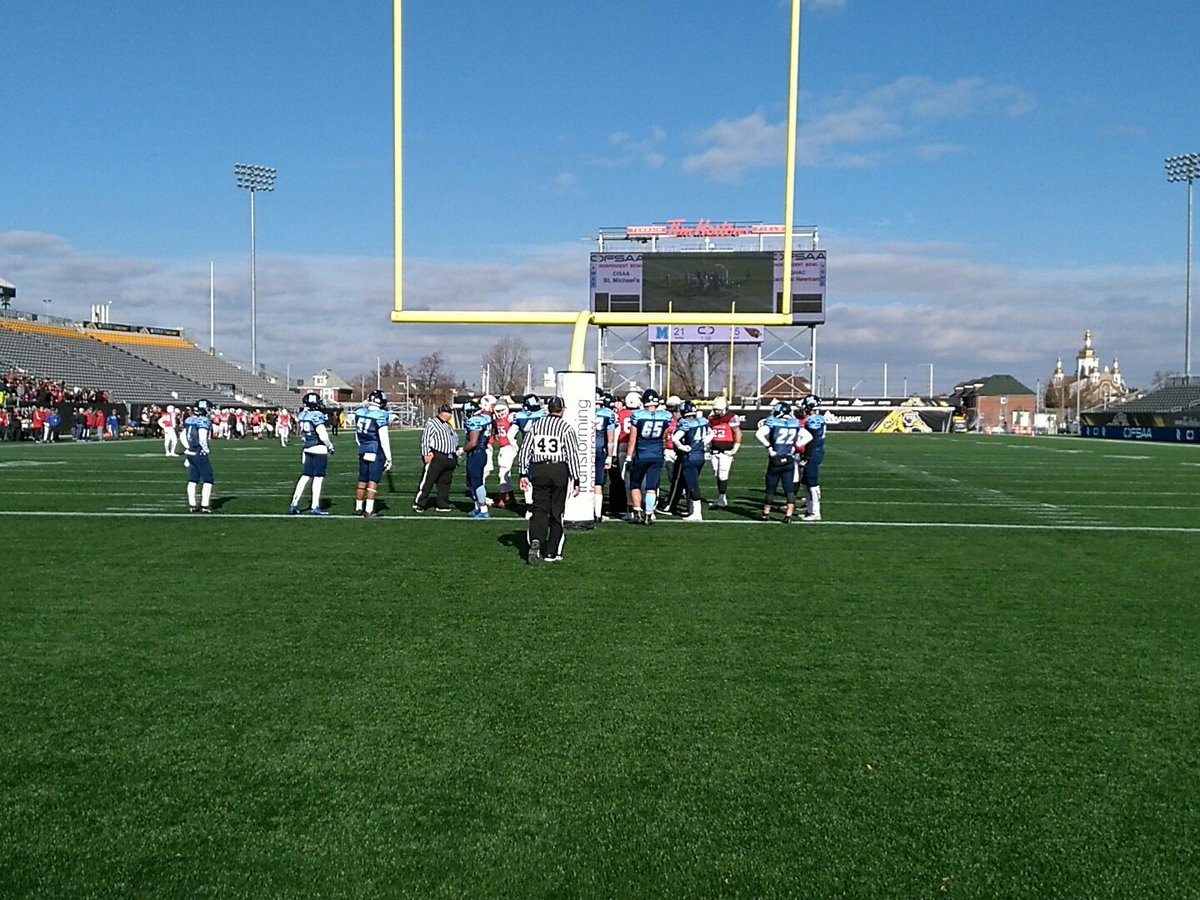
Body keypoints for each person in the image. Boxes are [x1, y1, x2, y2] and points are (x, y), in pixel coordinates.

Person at [516, 395, 582, 566]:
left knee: (539, 509)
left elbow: (525, 450)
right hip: (559, 469)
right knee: (557, 511)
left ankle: (536, 539)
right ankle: (552, 552)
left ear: (548, 409)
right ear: (562, 410)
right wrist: (576, 479)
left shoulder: (537, 426)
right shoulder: (566, 428)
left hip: (539, 469)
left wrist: (523, 473)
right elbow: (572, 455)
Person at [626, 388, 672, 524]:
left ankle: (637, 512)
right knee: (651, 486)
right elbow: (664, 435)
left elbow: (632, 439)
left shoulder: (638, 415)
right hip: (657, 454)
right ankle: (648, 514)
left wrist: (629, 456)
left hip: (642, 454)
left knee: (635, 483)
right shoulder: (665, 416)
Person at [290, 392, 336, 515]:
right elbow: (322, 435)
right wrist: (330, 446)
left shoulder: (303, 415)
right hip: (319, 448)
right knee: (318, 477)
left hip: (307, 447)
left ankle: (294, 502)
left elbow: (303, 435)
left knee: (305, 476)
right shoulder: (317, 415)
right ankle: (315, 506)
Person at [756, 400, 801, 523]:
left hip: (776, 459)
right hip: (789, 459)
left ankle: (766, 513)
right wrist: (796, 445)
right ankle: (788, 516)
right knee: (789, 489)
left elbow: (759, 434)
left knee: (771, 487)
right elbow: (808, 436)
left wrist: (769, 446)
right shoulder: (794, 423)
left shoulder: (773, 422)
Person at [670, 400, 712, 521]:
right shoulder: (703, 421)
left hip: (690, 457)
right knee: (693, 483)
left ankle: (697, 513)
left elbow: (675, 438)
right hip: (700, 456)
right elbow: (711, 433)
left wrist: (683, 447)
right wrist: (704, 442)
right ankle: (693, 510)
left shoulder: (685, 423)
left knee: (693, 484)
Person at [353, 389, 392, 517]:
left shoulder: (360, 412)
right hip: (375, 450)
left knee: (362, 479)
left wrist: (362, 446)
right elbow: (384, 439)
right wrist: (389, 457)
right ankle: (369, 510)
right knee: (373, 480)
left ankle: (358, 507)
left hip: (363, 448)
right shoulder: (381, 415)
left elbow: (357, 436)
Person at [413, 404, 460, 512]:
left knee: (445, 483)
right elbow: (426, 440)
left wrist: (457, 451)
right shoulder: (432, 423)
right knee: (428, 480)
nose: (450, 416)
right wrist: (426, 454)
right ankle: (420, 503)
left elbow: (454, 439)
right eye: (449, 413)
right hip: (437, 456)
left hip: (450, 457)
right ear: (443, 413)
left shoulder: (448, 425)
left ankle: (442, 504)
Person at [512, 394, 547, 513]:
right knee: (543, 479)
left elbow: (510, 435)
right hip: (542, 452)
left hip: (527, 451)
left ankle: (529, 508)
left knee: (526, 478)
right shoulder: (543, 416)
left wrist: (516, 448)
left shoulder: (520, 416)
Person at [795, 395, 827, 522]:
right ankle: (809, 509)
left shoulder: (814, 421)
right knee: (806, 482)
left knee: (812, 482)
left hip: (813, 452)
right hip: (812, 451)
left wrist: (807, 455)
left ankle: (815, 512)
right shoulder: (815, 419)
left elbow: (812, 440)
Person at [707, 395, 742, 509]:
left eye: (719, 410)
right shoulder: (711, 418)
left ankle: (722, 498)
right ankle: (721, 497)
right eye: (715, 409)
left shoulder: (731, 418)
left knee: (723, 474)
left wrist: (735, 448)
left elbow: (737, 433)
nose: (717, 412)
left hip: (726, 451)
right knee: (716, 474)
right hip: (714, 451)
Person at [462, 399, 494, 519]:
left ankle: (484, 510)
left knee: (477, 482)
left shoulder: (475, 421)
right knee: (472, 482)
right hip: (482, 451)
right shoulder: (486, 418)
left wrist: (463, 450)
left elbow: (473, 442)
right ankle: (478, 507)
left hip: (476, 453)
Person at [182, 399, 215, 513]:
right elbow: (202, 437)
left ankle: (192, 504)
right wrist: (205, 449)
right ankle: (205, 505)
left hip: (191, 452)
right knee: (208, 479)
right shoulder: (203, 421)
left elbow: (183, 436)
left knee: (193, 479)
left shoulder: (189, 420)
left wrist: (188, 448)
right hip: (199, 452)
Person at [593, 390, 617, 522]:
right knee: (598, 482)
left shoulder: (582, 411)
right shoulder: (608, 414)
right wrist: (610, 455)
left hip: (584, 450)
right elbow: (611, 438)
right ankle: (597, 514)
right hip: (600, 449)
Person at [491, 398, 519, 508]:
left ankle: (502, 499)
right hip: (504, 447)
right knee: (506, 473)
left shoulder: (511, 417)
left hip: (508, 447)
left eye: (502, 410)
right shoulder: (495, 419)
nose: (500, 413)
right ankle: (511, 498)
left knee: (503, 473)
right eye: (498, 411)